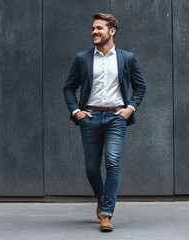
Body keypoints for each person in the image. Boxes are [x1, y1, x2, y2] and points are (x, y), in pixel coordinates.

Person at [63, 13, 146, 232]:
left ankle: (107, 213)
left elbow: (140, 86)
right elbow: (69, 87)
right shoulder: (82, 58)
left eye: (99, 28)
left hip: (116, 118)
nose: (94, 32)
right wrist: (76, 111)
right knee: (91, 168)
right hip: (90, 117)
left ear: (112, 31)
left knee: (112, 162)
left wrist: (130, 108)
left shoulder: (127, 58)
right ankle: (101, 196)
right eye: (93, 28)